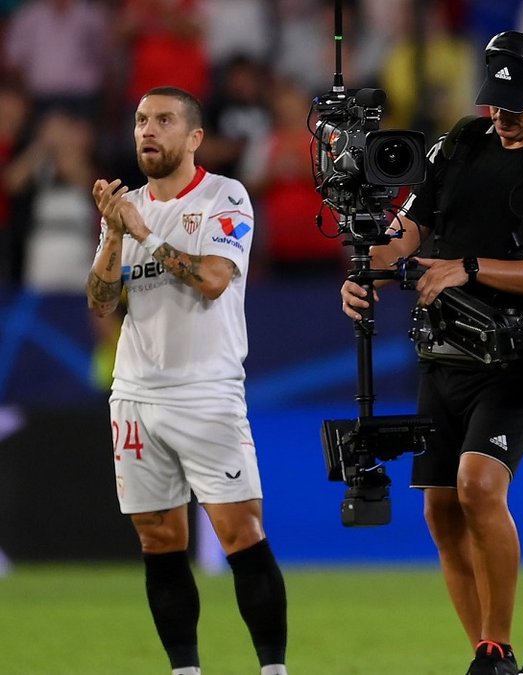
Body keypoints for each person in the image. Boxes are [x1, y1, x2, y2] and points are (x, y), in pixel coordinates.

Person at [339, 31, 523, 675]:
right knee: (441, 508)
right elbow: (408, 230)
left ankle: (498, 646)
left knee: (479, 486)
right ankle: (485, 653)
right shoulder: (461, 143)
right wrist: (366, 271)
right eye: (493, 100)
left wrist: (467, 267)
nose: (500, 114)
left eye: (515, 103)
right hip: (446, 351)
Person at [86, 86, 288, 675]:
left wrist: (144, 234)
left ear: (195, 137)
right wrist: (115, 234)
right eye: (141, 120)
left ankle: (273, 668)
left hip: (206, 391)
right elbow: (101, 303)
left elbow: (214, 279)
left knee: (240, 531)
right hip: (135, 394)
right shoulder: (125, 209)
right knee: (157, 538)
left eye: (164, 120)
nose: (148, 130)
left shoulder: (226, 196)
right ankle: (185, 670)